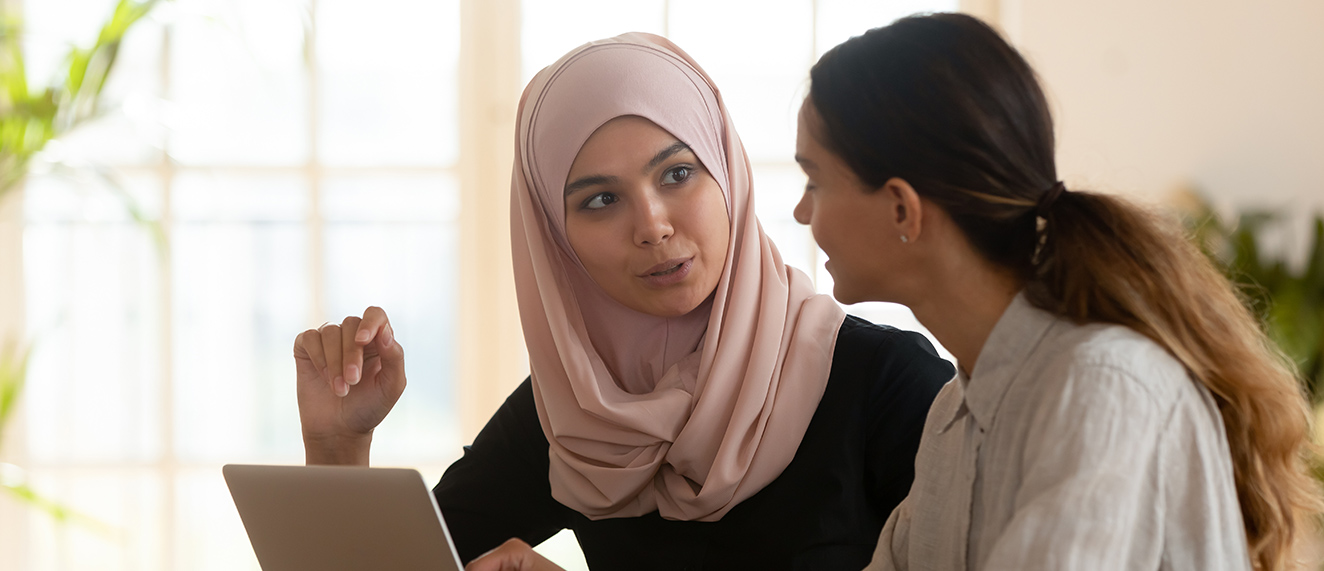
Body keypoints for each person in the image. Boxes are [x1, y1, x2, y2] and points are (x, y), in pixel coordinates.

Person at [469, 12, 1323, 571]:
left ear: (903, 208)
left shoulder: (1098, 388)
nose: (796, 211)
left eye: (815, 180)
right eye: (600, 198)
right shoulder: (961, 413)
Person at [293, 33, 954, 570]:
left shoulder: (886, 383)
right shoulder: (577, 415)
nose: (652, 224)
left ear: (727, 172)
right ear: (556, 240)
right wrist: (337, 444)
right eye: (600, 199)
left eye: (677, 173)